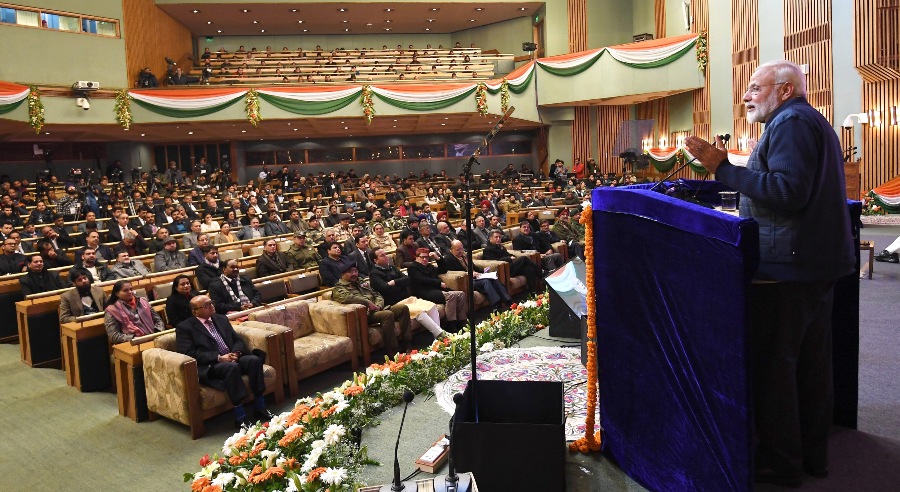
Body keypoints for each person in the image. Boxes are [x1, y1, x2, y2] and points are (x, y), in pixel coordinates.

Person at [684, 60, 855, 487]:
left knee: (777, 370)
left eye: (754, 88)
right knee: (810, 368)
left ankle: (782, 465)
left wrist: (723, 169)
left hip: (787, 271)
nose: (746, 96)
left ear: (783, 89)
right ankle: (812, 458)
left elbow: (786, 191)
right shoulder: (806, 121)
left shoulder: (792, 122)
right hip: (812, 265)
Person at [176, 295, 274, 429]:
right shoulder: (185, 328)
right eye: (206, 305)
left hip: (233, 356)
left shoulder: (221, 318)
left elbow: (237, 339)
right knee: (231, 368)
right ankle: (240, 417)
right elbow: (189, 353)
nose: (211, 306)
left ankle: (260, 407)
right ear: (195, 311)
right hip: (212, 365)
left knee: (254, 360)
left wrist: (237, 353)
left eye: (211, 302)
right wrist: (218, 358)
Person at [368, 248, 448, 340]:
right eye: (382, 255)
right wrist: (401, 285)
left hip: (408, 299)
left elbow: (408, 279)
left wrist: (394, 282)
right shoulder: (374, 275)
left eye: (385, 254)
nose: (386, 257)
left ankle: (437, 337)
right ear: (375, 260)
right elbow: (386, 289)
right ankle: (441, 335)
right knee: (420, 312)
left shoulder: (392, 268)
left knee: (432, 306)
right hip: (395, 304)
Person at [332, 263, 411, 354]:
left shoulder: (361, 282)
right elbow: (348, 298)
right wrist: (368, 303)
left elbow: (376, 294)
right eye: (350, 272)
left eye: (355, 271)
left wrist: (379, 305)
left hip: (378, 309)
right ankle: (392, 350)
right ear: (342, 274)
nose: (354, 274)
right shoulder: (338, 288)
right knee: (387, 314)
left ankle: (407, 343)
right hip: (365, 314)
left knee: (403, 308)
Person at [408, 248, 467, 332]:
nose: (425, 259)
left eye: (427, 257)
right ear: (416, 257)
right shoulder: (412, 267)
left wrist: (438, 259)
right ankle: (451, 323)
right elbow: (421, 279)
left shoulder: (429, 266)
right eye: (422, 257)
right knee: (451, 295)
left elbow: (443, 270)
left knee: (461, 294)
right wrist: (438, 283)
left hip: (435, 290)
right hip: (424, 292)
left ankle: (462, 321)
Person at [444, 240, 511, 309]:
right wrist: (469, 274)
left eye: (462, 248)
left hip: (476, 277)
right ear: (451, 249)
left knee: (493, 278)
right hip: (466, 281)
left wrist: (483, 270)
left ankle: (508, 300)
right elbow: (453, 273)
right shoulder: (448, 259)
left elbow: (474, 267)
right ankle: (496, 305)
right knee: (486, 281)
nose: (461, 251)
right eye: (458, 250)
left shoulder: (464, 255)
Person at [104, 280, 164, 344]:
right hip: (134, 343)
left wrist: (158, 331)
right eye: (125, 290)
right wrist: (135, 338)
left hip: (156, 337)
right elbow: (114, 336)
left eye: (131, 289)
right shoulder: (112, 310)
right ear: (116, 294)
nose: (130, 292)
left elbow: (158, 320)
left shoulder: (143, 301)